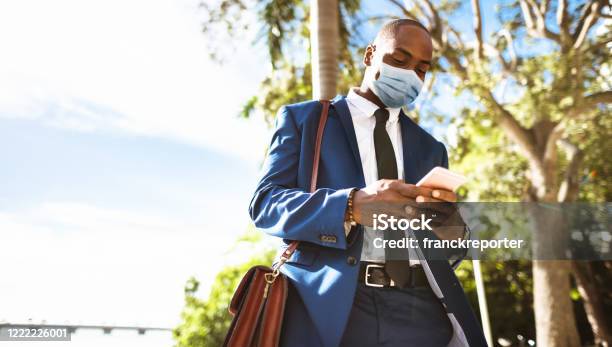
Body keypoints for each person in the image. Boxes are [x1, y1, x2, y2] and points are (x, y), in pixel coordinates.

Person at [249, 18, 487, 347]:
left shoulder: (432, 148)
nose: (410, 74)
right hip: (335, 307)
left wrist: (450, 228)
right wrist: (350, 206)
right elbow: (265, 204)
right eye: (399, 60)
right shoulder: (304, 121)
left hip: (422, 313)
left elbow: (449, 250)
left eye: (421, 69)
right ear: (370, 55)